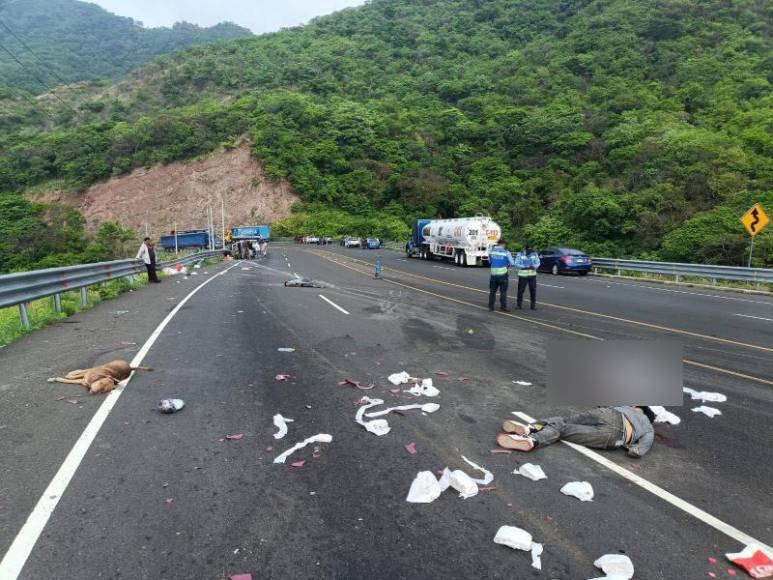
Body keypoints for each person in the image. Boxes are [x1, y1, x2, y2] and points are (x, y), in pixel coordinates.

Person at [496, 406, 656, 458]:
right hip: (615, 438)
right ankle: (532, 440)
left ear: (639, 408)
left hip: (610, 414)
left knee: (563, 421)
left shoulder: (627, 407)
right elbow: (640, 449)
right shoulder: (649, 427)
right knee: (563, 429)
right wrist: (631, 448)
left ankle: (531, 427)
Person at [488, 238, 515, 312]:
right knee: (503, 292)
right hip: (502, 275)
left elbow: (489, 261)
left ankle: (491, 307)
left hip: (493, 274)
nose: (504, 245)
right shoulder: (506, 252)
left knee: (492, 291)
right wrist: (506, 263)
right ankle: (503, 307)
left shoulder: (491, 251)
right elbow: (512, 263)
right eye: (504, 244)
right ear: (502, 244)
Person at [515, 243, 540, 310]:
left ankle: (533, 306)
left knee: (533, 291)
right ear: (525, 248)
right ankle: (519, 305)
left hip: (532, 275)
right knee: (520, 291)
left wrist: (534, 266)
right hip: (523, 275)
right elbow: (516, 263)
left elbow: (538, 263)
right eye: (529, 249)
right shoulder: (520, 254)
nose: (530, 250)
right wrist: (524, 267)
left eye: (531, 248)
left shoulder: (534, 254)